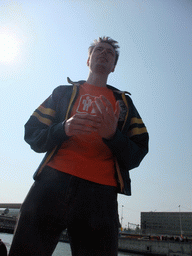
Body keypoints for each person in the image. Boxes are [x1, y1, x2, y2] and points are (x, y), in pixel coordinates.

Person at [9, 36, 149, 256]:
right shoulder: (62, 93)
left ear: (113, 67)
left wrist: (113, 135)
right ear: (88, 59)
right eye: (99, 50)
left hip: (100, 196)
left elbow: (138, 152)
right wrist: (63, 128)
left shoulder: (125, 104)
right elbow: (32, 133)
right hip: (50, 186)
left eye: (110, 53)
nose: (104, 53)